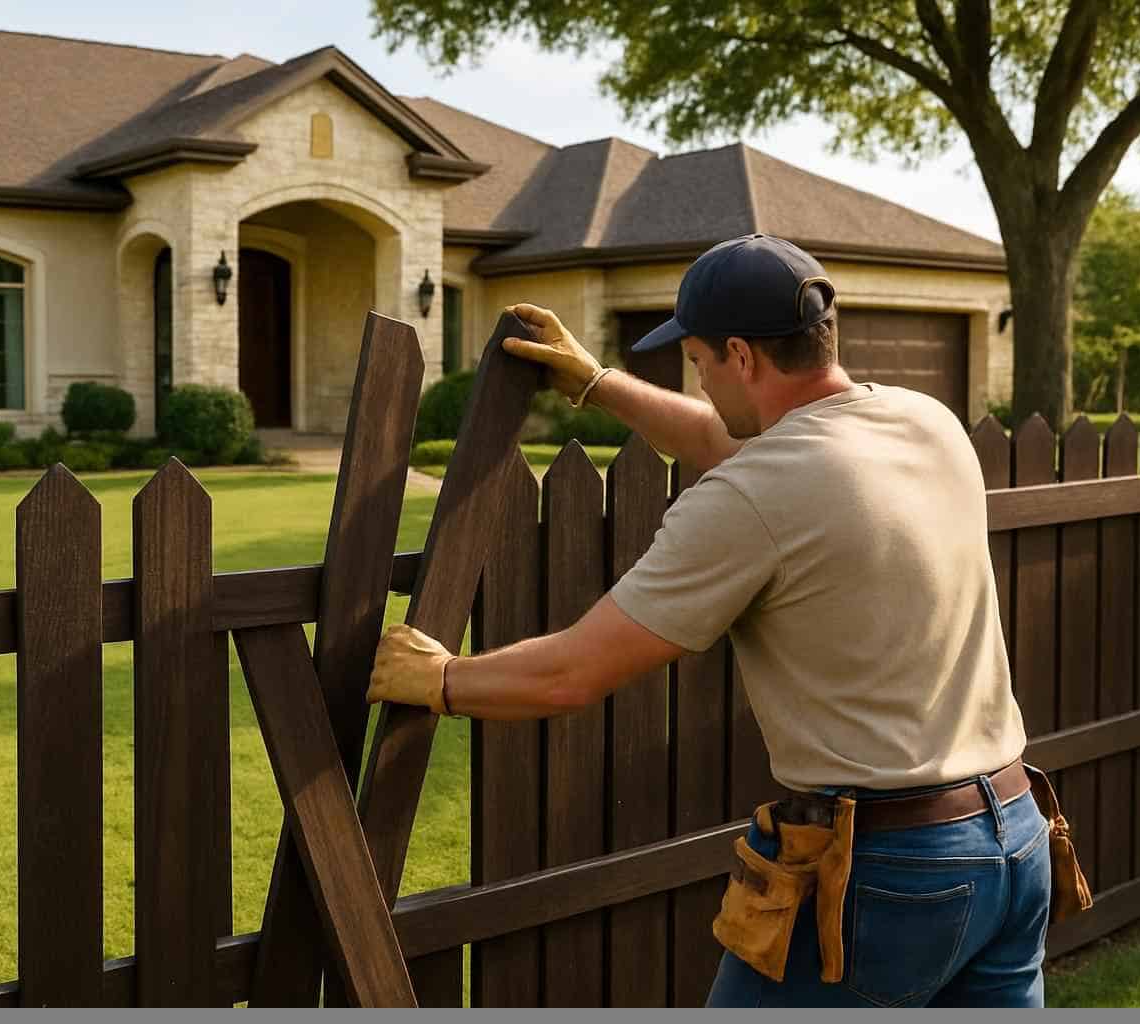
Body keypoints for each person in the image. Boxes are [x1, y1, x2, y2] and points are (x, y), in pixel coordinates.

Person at [366, 234, 1087, 1007]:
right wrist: (598, 383)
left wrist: (438, 676)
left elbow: (571, 675)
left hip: (888, 873)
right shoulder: (925, 423)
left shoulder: (754, 496)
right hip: (1016, 834)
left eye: (701, 360)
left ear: (741, 356)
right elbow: (733, 441)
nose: (700, 379)